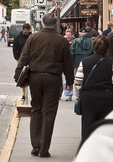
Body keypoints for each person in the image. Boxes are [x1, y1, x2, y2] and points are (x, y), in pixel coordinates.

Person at [14, 12, 74, 158]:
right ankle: (44, 148)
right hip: (53, 78)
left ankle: (35, 145)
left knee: (36, 109)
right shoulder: (61, 41)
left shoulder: (33, 37)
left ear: (42, 24)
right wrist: (70, 81)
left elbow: (24, 58)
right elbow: (67, 63)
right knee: (49, 112)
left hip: (35, 77)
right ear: (55, 25)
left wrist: (18, 75)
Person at [74, 34, 113, 142]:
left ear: (94, 48)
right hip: (107, 100)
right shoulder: (112, 64)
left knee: (88, 128)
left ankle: (88, 149)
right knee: (106, 129)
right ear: (107, 49)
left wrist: (83, 93)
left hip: (89, 99)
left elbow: (77, 83)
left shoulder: (84, 62)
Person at [62, 29, 75, 101]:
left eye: (69, 35)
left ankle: (70, 93)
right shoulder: (63, 42)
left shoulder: (75, 42)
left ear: (72, 35)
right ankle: (68, 94)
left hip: (73, 63)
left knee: (72, 79)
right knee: (64, 80)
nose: (68, 37)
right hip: (65, 63)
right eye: (67, 35)